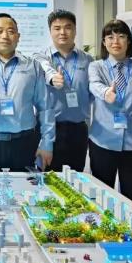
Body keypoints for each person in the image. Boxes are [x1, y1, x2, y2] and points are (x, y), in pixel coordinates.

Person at [0, 13, 54, 171]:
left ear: (18, 37)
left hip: (24, 143)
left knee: (24, 186)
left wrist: (47, 143)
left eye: (11, 31)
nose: (5, 36)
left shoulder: (33, 66)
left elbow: (45, 107)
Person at [88, 19, 132, 206]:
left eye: (121, 36)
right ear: (104, 42)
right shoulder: (96, 66)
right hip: (103, 142)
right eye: (110, 37)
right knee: (101, 198)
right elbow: (94, 85)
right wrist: (106, 93)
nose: (115, 41)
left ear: (128, 41)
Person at [35, 10, 93, 172]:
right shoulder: (40, 57)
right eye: (57, 28)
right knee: (46, 176)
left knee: (76, 177)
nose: (62, 32)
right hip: (48, 128)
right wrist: (53, 78)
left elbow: (92, 93)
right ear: (50, 31)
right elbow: (46, 69)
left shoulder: (88, 60)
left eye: (68, 27)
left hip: (78, 130)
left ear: (75, 30)